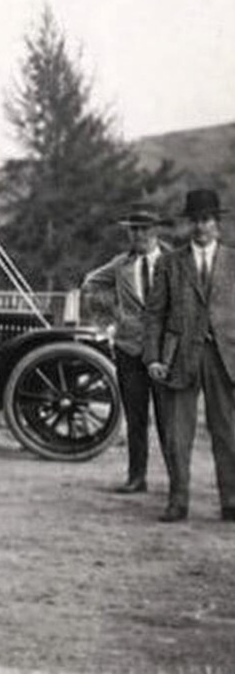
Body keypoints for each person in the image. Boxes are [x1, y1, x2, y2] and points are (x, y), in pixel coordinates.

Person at [145, 189, 235, 523]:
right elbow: (154, 314)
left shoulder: (233, 261)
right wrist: (153, 357)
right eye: (195, 220)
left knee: (227, 432)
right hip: (180, 356)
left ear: (217, 223)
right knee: (177, 435)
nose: (201, 226)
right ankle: (178, 501)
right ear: (189, 224)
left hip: (224, 357)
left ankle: (231, 500)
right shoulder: (170, 263)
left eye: (207, 219)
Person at [80, 205, 172, 493]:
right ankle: (136, 478)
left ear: (156, 231)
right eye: (134, 230)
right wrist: (112, 316)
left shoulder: (174, 261)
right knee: (135, 418)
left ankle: (177, 481)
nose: (139, 235)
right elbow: (90, 284)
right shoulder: (120, 265)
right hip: (129, 350)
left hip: (165, 352)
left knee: (169, 419)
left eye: (145, 229)